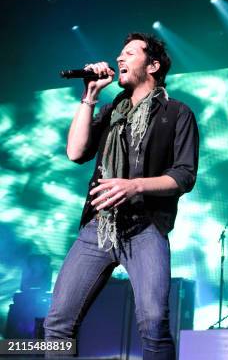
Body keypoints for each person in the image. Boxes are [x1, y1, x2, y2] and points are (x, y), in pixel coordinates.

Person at [44, 33, 199, 359]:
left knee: (154, 324)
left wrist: (135, 185)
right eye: (119, 53)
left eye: (129, 53)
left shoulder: (177, 113)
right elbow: (75, 151)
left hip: (145, 227)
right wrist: (89, 95)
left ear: (153, 65)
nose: (119, 59)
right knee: (57, 324)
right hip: (98, 228)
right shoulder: (113, 112)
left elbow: (184, 176)